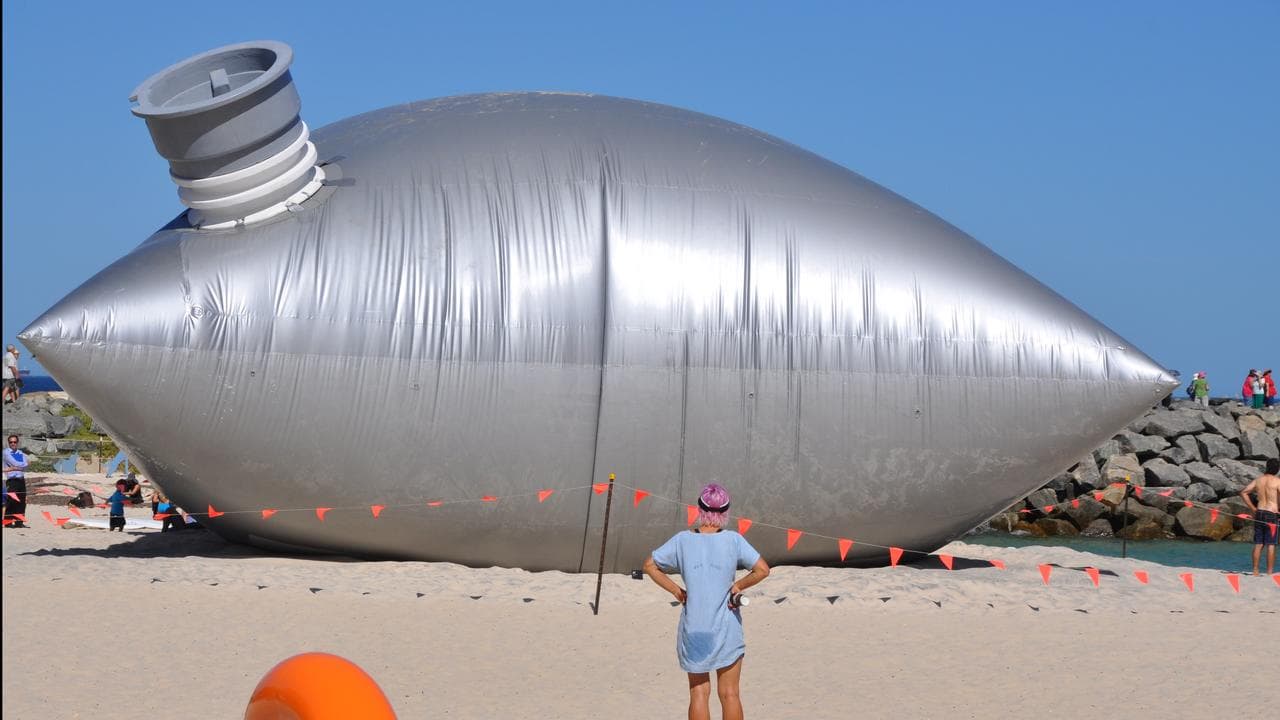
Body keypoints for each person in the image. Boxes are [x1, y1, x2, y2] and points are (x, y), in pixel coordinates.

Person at [643, 484, 771, 720]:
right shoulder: (733, 540)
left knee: (698, 694)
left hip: (695, 627)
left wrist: (677, 591)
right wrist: (738, 586)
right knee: (730, 694)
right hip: (726, 626)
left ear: (699, 509)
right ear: (726, 511)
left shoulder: (682, 540)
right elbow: (762, 569)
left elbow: (649, 565)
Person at [1239, 458, 1280, 576]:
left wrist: (1253, 508)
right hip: (1272, 514)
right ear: (1277, 469)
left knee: (1259, 543)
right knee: (1271, 544)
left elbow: (1243, 492)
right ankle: (1269, 572)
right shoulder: (1277, 481)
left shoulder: (1258, 480)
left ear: (1267, 467)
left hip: (1260, 512)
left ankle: (1255, 571)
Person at [4, 434, 29, 527]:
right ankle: (8, 522)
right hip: (12, 480)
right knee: (11, 501)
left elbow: (25, 465)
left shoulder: (20, 453)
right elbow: (15, 463)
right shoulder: (6, 453)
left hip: (21, 479)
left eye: (15, 442)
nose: (13, 443)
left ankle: (19, 522)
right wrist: (21, 465)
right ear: (8, 443)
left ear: (17, 443)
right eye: (11, 442)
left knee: (21, 501)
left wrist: (19, 466)